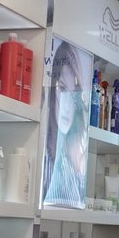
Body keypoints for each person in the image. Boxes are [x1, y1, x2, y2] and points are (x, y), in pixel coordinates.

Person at [43, 43, 89, 207]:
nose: (67, 104)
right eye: (62, 89)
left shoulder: (76, 163)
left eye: (73, 94)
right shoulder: (44, 154)